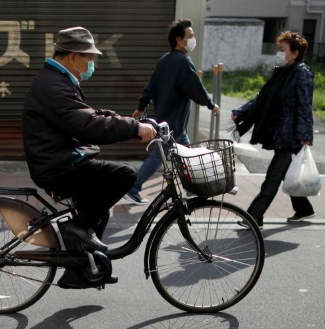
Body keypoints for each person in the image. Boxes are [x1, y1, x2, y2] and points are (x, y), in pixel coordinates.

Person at [23, 26, 155, 287]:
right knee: (125, 174)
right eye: (90, 58)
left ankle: (80, 272)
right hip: (57, 165)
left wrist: (123, 121)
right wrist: (133, 128)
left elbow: (84, 115)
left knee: (97, 211)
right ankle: (77, 229)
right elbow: (85, 125)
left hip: (60, 159)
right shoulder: (54, 85)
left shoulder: (57, 80)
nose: (92, 64)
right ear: (74, 57)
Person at [123, 18, 220, 205]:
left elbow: (150, 86)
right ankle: (133, 187)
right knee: (162, 157)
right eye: (190, 36)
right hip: (174, 123)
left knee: (185, 155)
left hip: (168, 121)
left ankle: (191, 190)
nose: (193, 39)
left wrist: (141, 106)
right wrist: (211, 105)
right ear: (179, 39)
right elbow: (196, 88)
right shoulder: (182, 62)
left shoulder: (164, 60)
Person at [231, 31, 315, 228]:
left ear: (294, 54)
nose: (278, 53)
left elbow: (305, 105)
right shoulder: (281, 72)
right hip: (282, 133)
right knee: (286, 173)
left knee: (273, 177)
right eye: (278, 49)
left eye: (282, 49)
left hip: (293, 135)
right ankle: (304, 209)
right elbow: (263, 97)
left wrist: (305, 134)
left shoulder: (302, 73)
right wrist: (241, 112)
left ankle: (254, 216)